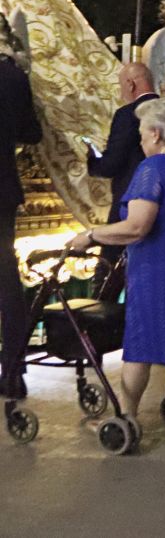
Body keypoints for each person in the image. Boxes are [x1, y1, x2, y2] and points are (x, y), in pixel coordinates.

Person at [67, 99, 165, 424]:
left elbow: (137, 226)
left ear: (155, 134)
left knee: (140, 344)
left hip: (156, 269)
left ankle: (127, 414)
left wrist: (92, 235)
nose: (140, 141)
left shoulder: (153, 168)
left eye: (142, 134)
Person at [0, 39, 42, 400]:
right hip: (3, 187)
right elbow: (33, 133)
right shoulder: (13, 77)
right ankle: (13, 371)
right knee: (6, 280)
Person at [88, 61, 159, 264]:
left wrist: (93, 160)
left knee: (110, 268)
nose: (121, 94)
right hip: (164, 201)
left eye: (121, 87)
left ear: (130, 84)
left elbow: (112, 164)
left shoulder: (128, 114)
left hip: (130, 200)